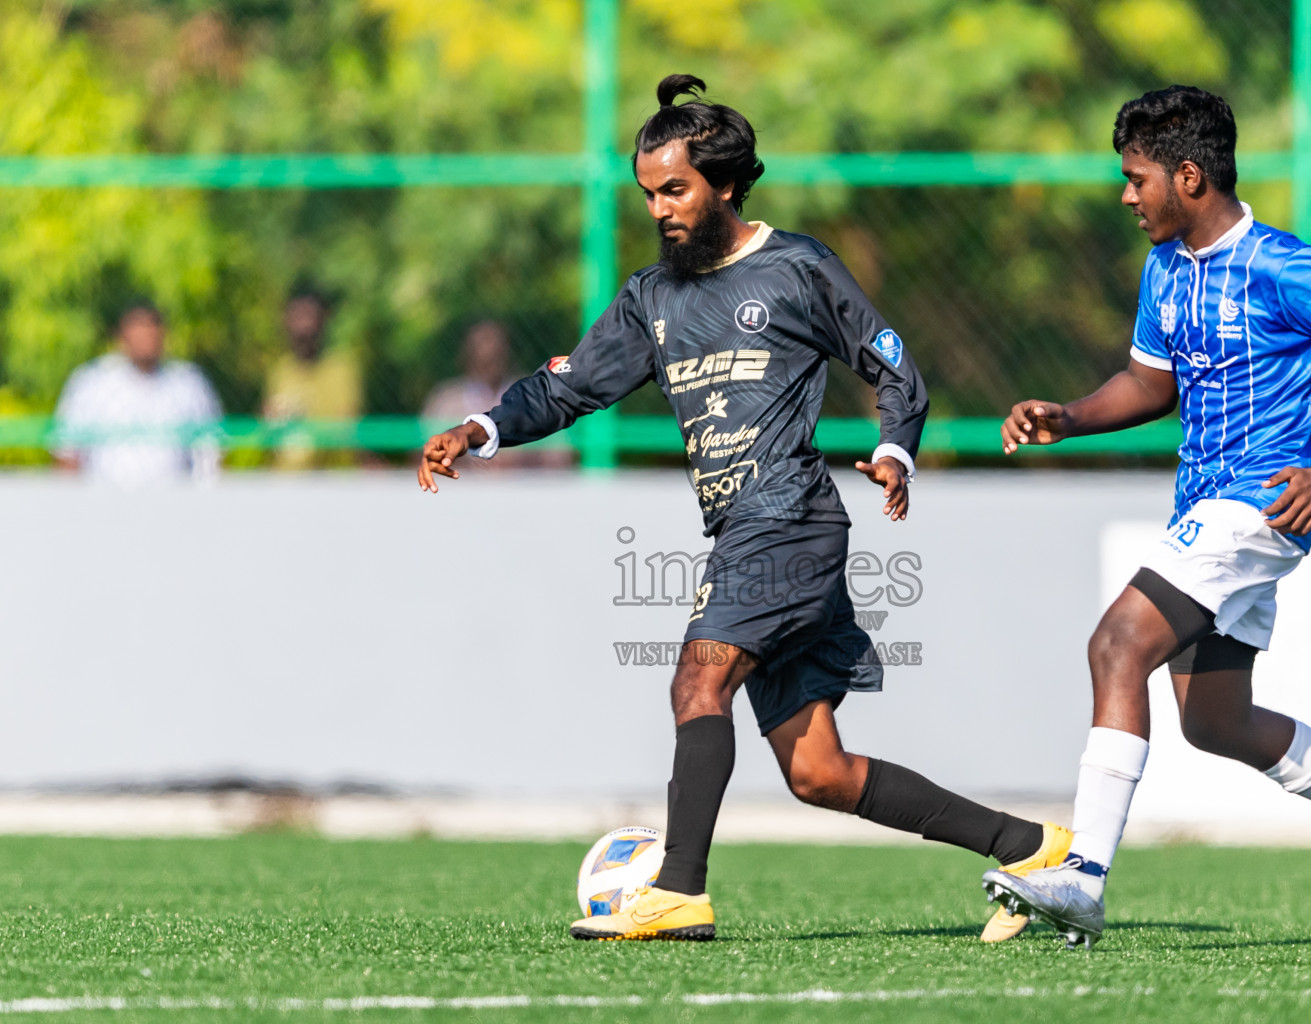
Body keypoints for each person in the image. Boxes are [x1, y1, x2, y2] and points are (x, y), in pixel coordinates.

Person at [419, 74, 1071, 943]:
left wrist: (892, 447)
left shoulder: (796, 268)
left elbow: (891, 365)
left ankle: (679, 889)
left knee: (699, 675)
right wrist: (480, 426)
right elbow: (569, 387)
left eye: (676, 190)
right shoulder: (653, 299)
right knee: (818, 771)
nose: (659, 209)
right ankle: (1033, 848)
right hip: (743, 528)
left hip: (791, 516)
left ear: (724, 182)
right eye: (648, 193)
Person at [984, 86, 1311, 948]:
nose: (1126, 195)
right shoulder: (1167, 266)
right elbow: (1153, 383)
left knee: (1116, 642)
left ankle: (1082, 874)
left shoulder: (1281, 264)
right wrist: (1070, 417)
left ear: (1187, 176)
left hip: (1260, 501)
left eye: (1135, 178)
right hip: (1203, 504)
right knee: (1214, 720)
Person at [54, 302, 222, 485]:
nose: (144, 338)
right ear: (121, 335)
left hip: (172, 503)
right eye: (137, 329)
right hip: (105, 503)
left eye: (151, 329)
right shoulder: (92, 382)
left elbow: (210, 454)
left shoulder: (187, 383)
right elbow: (67, 453)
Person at [420, 319, 572, 469]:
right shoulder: (446, 399)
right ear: (466, 355)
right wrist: (468, 463)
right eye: (481, 352)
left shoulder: (533, 393)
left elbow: (560, 456)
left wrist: (519, 462)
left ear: (508, 353)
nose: (489, 353)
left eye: (496, 353)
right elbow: (423, 455)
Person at [263, 286, 363, 469]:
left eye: (309, 317)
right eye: (296, 318)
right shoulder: (280, 370)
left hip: (328, 482)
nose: (304, 328)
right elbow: (269, 428)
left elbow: (345, 429)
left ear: (323, 320)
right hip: (284, 483)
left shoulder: (340, 369)